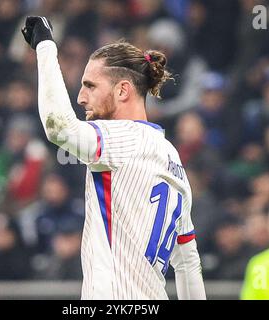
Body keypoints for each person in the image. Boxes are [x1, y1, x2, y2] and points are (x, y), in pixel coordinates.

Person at [21, 16, 206, 300]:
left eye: (90, 86)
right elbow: (187, 262)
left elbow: (58, 128)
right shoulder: (172, 156)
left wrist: (45, 46)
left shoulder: (119, 138)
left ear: (122, 90)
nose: (81, 97)